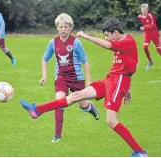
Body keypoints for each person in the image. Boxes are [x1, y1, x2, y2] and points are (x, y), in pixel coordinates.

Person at [20, 18, 147, 156]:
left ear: (116, 32)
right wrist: (128, 89)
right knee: (75, 96)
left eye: (107, 35)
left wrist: (86, 36)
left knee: (111, 120)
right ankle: (36, 110)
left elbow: (108, 47)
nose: (106, 38)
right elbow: (131, 64)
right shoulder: (123, 43)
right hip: (110, 80)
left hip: (118, 82)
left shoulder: (127, 41)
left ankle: (140, 152)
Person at [39, 13, 99, 142]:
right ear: (57, 28)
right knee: (59, 103)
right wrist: (45, 75)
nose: (63, 29)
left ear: (70, 28)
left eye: (66, 26)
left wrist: (88, 80)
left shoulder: (76, 42)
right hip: (61, 78)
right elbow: (44, 59)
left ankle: (90, 107)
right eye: (61, 27)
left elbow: (85, 61)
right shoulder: (53, 43)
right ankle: (57, 135)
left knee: (82, 105)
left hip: (77, 78)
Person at [138, 3, 161, 70]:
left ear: (147, 10)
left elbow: (153, 25)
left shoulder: (150, 15)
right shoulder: (139, 17)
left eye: (144, 10)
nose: (143, 11)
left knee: (159, 50)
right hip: (147, 35)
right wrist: (145, 28)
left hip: (154, 34)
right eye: (142, 10)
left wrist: (144, 27)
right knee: (145, 48)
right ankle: (150, 62)